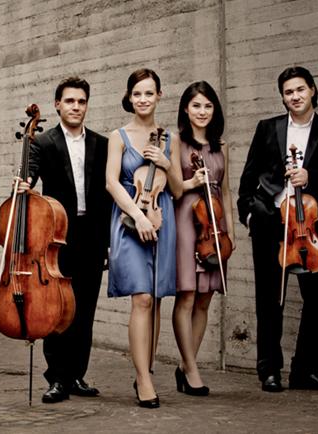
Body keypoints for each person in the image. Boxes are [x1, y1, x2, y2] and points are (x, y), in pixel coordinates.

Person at [238, 66, 318, 392]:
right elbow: (248, 178)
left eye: (300, 89)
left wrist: (309, 177)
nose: (294, 96)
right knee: (271, 300)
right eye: (288, 92)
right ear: (282, 97)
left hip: (310, 226)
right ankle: (269, 371)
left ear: (312, 90)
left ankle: (304, 371)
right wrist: (250, 215)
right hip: (272, 223)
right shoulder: (267, 128)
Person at [21, 77, 112, 403]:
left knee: (85, 310)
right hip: (57, 236)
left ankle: (76, 375)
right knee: (58, 311)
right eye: (70, 101)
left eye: (81, 101)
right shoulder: (43, 143)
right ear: (58, 104)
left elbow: (108, 195)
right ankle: (56, 378)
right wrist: (24, 183)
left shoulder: (102, 144)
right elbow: (30, 176)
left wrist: (108, 242)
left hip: (93, 235)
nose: (76, 107)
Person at [106, 68, 183, 408]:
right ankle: (143, 378)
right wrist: (137, 216)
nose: (143, 99)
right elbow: (111, 183)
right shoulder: (118, 136)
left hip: (161, 217)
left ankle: (146, 367)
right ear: (129, 97)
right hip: (129, 216)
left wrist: (166, 162)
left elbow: (179, 189)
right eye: (137, 94)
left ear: (159, 96)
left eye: (149, 93)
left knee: (156, 298)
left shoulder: (171, 138)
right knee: (141, 299)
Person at [172, 81, 235, 396]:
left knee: (205, 299)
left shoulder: (221, 147)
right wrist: (189, 181)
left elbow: (225, 191)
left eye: (208, 106)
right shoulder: (176, 143)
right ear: (186, 108)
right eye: (196, 105)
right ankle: (191, 369)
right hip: (186, 222)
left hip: (214, 228)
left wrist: (230, 237)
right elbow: (170, 189)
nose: (202, 111)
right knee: (186, 295)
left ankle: (186, 365)